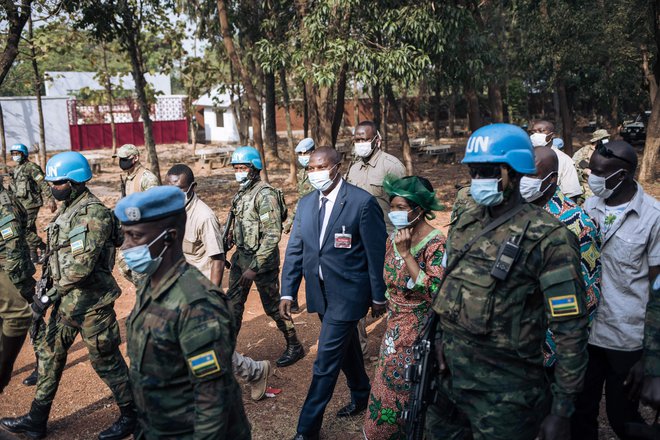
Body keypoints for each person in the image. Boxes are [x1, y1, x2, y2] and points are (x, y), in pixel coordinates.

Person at [426, 123, 589, 440]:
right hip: (449, 383)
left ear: (513, 174)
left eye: (486, 170)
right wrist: (441, 343)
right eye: (473, 170)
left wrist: (562, 409)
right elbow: (452, 287)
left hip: (508, 398)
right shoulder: (465, 221)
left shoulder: (548, 238)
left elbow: (570, 330)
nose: (477, 179)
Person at [0, 152, 135, 440]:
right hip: (67, 302)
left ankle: (132, 415)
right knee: (49, 355)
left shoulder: (92, 213)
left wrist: (46, 297)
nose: (52, 187)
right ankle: (36, 420)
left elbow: (81, 267)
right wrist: (47, 289)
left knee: (106, 361)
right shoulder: (67, 210)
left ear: (74, 182)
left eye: (57, 182)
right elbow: (59, 257)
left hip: (92, 305)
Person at [114, 186, 251, 439]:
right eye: (125, 236)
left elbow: (212, 399)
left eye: (135, 236)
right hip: (158, 426)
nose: (126, 246)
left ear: (170, 237)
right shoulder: (150, 284)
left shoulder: (197, 304)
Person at [279, 147, 387, 440]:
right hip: (320, 292)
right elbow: (295, 251)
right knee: (348, 346)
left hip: (349, 293)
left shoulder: (361, 203)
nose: (314, 173)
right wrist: (287, 291)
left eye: (320, 167)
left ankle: (307, 429)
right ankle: (362, 392)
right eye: (311, 169)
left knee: (325, 361)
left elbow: (376, 254)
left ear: (337, 167)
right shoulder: (305, 205)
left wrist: (379, 295)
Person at [571, 140, 660, 439]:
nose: (592, 177)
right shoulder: (588, 205)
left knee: (622, 417)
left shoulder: (653, 216)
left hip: (627, 337)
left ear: (621, 175)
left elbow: (657, 288)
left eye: (598, 172)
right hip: (586, 331)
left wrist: (650, 355)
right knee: (581, 411)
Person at [166, 164, 271, 401]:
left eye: (179, 190)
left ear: (192, 187)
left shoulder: (204, 216)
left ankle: (254, 372)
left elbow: (217, 259)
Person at [363, 175, 446, 440]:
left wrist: (408, 254)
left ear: (419, 210)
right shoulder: (393, 239)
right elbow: (390, 282)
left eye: (401, 207)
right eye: (392, 206)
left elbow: (436, 292)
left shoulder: (436, 244)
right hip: (394, 329)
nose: (394, 213)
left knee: (412, 389)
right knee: (386, 388)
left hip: (420, 331)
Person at [521, 146, 602, 369]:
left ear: (552, 179)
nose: (523, 181)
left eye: (531, 175)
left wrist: (550, 353)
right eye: (520, 174)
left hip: (547, 353)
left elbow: (586, 295)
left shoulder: (576, 224)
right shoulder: (515, 212)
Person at [228, 146, 304, 367]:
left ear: (254, 168)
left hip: (262, 263)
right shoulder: (242, 193)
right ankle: (228, 349)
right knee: (232, 305)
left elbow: (272, 234)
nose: (239, 171)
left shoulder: (265, 195)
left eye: (243, 167)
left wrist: (255, 266)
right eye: (236, 168)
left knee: (272, 307)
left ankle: (294, 344)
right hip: (240, 258)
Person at [346, 120, 406, 356]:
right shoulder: (353, 168)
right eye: (357, 140)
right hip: (358, 242)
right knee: (356, 292)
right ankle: (359, 351)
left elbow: (404, 206)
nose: (360, 144)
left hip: (386, 241)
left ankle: (396, 349)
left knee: (391, 294)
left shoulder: (392, 166)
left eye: (364, 139)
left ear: (377, 140)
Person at [0, 182, 35, 394]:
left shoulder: (4, 206)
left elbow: (13, 245)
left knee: (27, 316)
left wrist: (11, 279)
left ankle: (44, 364)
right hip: (9, 269)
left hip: (10, 270)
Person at [115, 144, 158, 285]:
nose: (121, 162)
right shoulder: (128, 178)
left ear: (136, 158)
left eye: (124, 159)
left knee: (140, 274)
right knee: (123, 265)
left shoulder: (147, 179)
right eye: (120, 159)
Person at [283, 137, 317, 313]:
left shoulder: (318, 172)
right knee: (296, 259)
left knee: (309, 262)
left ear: (313, 152)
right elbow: (301, 200)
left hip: (315, 223)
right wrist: (291, 221)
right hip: (303, 219)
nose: (303, 157)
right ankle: (292, 299)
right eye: (300, 154)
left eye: (306, 153)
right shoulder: (303, 173)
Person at [8, 143, 57, 263]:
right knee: (31, 228)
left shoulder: (32, 167)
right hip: (20, 204)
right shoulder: (16, 169)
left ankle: (44, 247)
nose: (15, 156)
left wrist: (50, 198)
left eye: (17, 154)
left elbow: (42, 183)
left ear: (23, 154)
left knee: (23, 229)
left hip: (31, 203)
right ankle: (34, 255)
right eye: (13, 154)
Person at [529, 120, 582, 200]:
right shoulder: (525, 157)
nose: (536, 135)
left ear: (552, 135)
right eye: (533, 132)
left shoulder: (564, 160)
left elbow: (571, 194)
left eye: (541, 131)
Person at [573, 129, 610, 202]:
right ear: (597, 140)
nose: (607, 140)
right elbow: (573, 166)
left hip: (605, 186)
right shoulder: (584, 151)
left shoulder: (609, 150)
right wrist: (585, 171)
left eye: (607, 138)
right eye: (604, 139)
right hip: (588, 187)